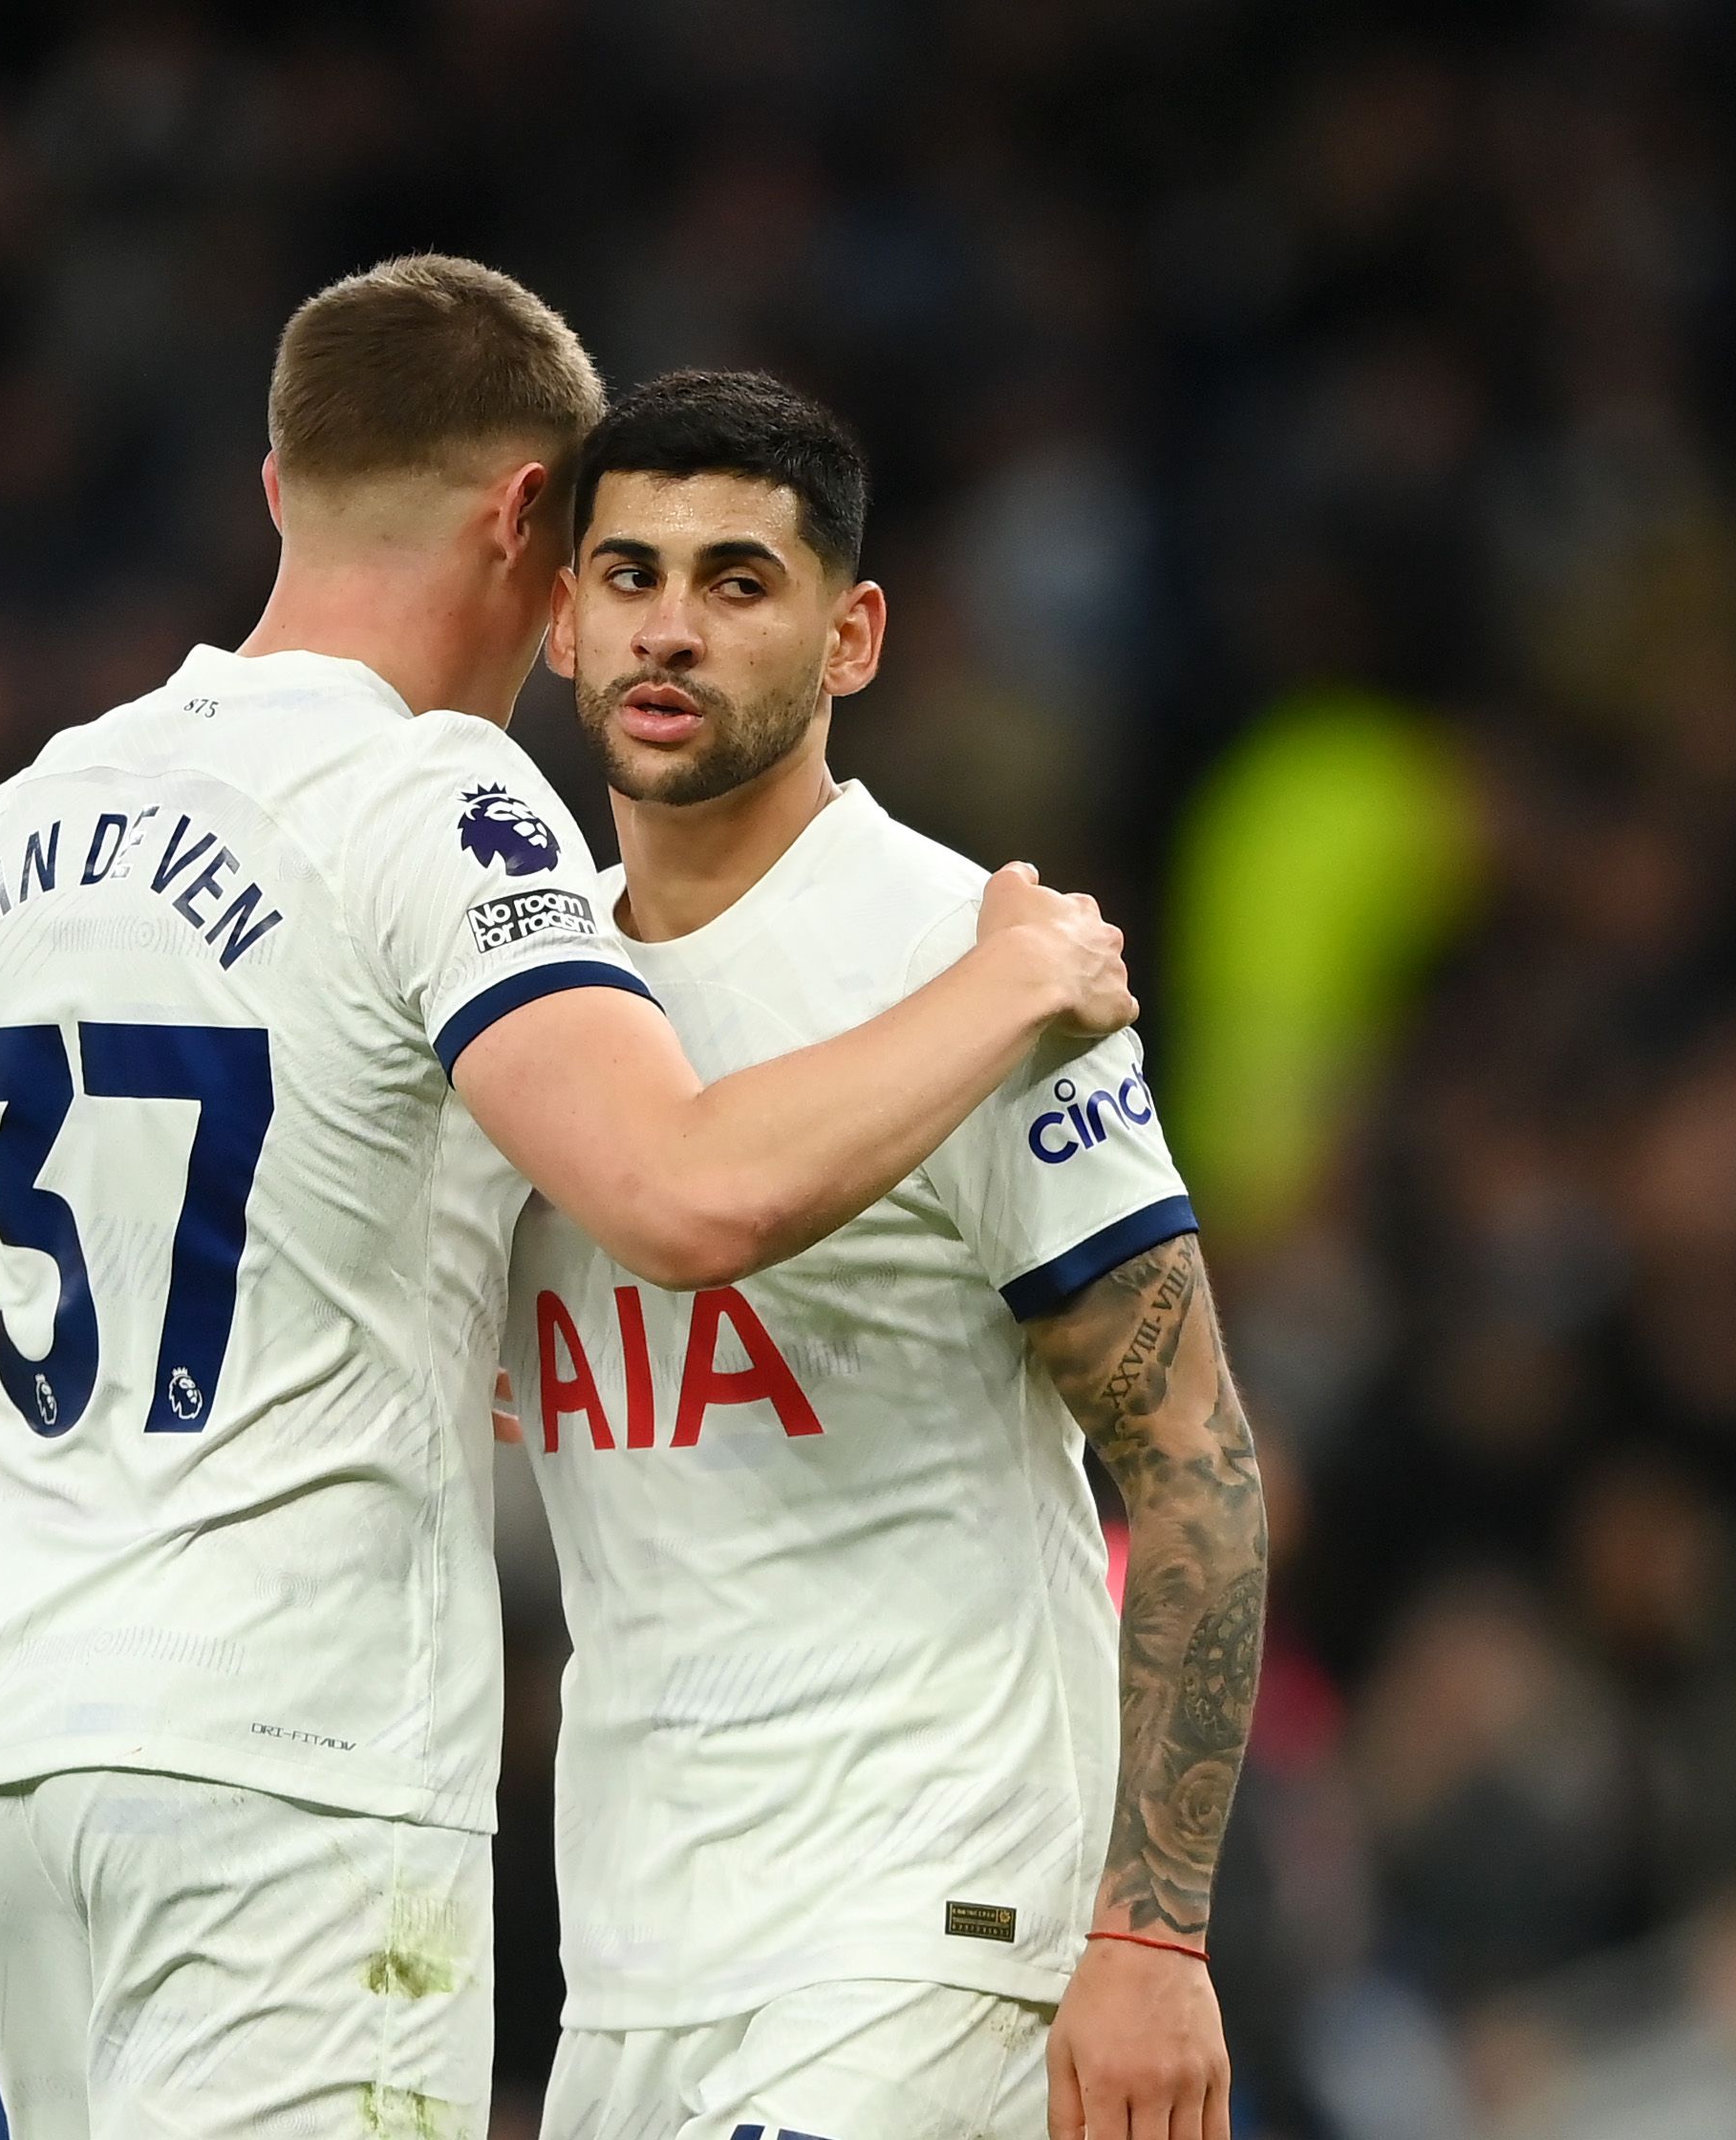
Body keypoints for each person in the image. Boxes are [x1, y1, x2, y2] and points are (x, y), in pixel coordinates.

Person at [0, 262, 1135, 2140]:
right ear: (531, 523)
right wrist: (1002, 980)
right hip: (292, 1773)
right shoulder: (440, 803)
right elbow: (679, 1192)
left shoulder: (28, 817)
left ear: (277, 492)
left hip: (19, 1761)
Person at [506, 373, 1264, 2140]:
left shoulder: (969, 964)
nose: (670, 630)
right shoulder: (519, 1006)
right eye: (627, 577)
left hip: (927, 1932)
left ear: (850, 640)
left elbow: (1196, 1457)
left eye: (737, 582)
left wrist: (1151, 1935)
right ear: (557, 621)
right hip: (632, 1969)